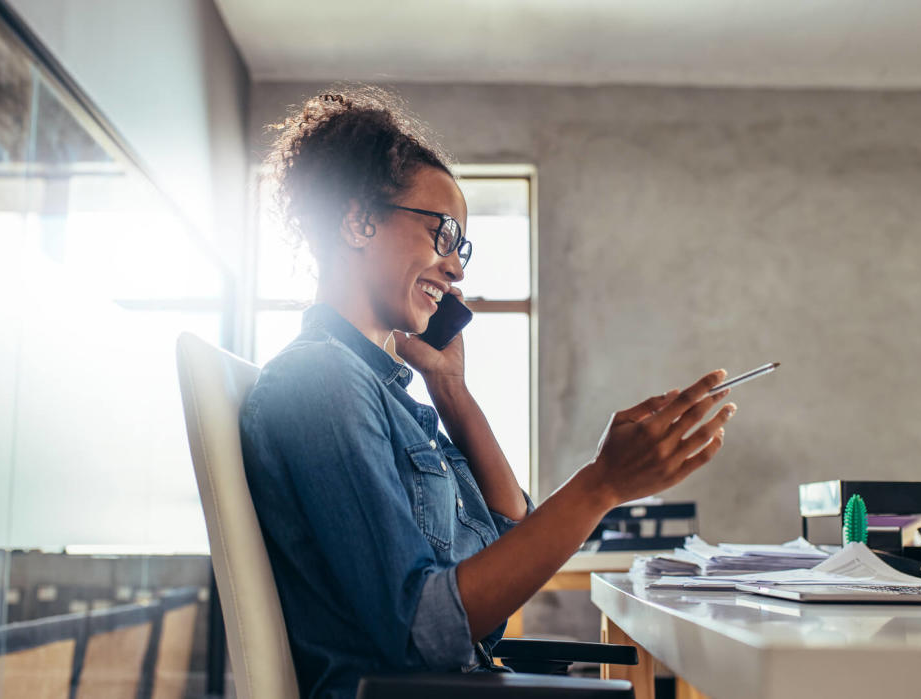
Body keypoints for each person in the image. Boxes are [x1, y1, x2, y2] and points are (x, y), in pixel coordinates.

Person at [239, 87, 737, 699]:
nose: (457, 269)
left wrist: (452, 391)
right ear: (358, 221)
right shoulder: (320, 382)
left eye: (461, 248)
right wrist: (600, 485)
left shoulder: (387, 394)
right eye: (442, 234)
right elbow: (422, 632)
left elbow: (508, 549)